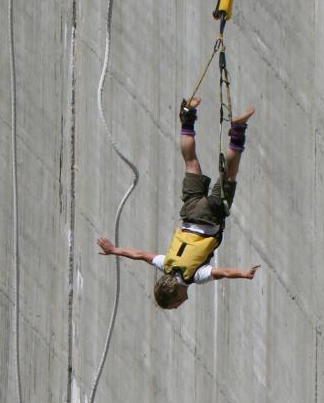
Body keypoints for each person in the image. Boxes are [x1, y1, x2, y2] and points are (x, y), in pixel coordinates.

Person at [96, 99, 258, 308]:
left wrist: (244, 274)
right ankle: (188, 115)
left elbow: (223, 273)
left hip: (210, 218)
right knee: (190, 162)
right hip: (189, 212)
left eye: (178, 303)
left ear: (176, 295)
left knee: (229, 176)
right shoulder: (166, 266)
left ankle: (238, 130)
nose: (183, 302)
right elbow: (141, 255)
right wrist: (114, 250)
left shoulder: (195, 276)